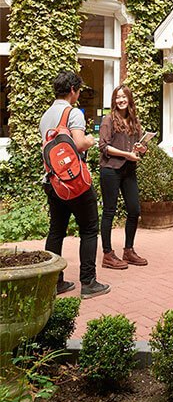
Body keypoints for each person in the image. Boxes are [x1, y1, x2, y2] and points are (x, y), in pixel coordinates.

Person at [39, 71, 110, 299]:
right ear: (72, 90)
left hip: (53, 181)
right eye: (78, 90)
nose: (78, 94)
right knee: (89, 229)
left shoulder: (45, 116)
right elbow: (79, 144)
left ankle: (54, 282)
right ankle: (88, 282)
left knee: (56, 230)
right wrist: (91, 140)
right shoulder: (73, 113)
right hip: (75, 182)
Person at [99, 85, 148, 269]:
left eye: (124, 97)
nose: (121, 100)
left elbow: (138, 146)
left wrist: (142, 148)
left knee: (134, 209)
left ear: (129, 99)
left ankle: (128, 250)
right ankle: (107, 254)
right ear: (114, 100)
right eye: (118, 97)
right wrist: (127, 154)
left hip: (128, 170)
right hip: (110, 169)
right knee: (109, 212)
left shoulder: (134, 120)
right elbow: (103, 147)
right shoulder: (108, 120)